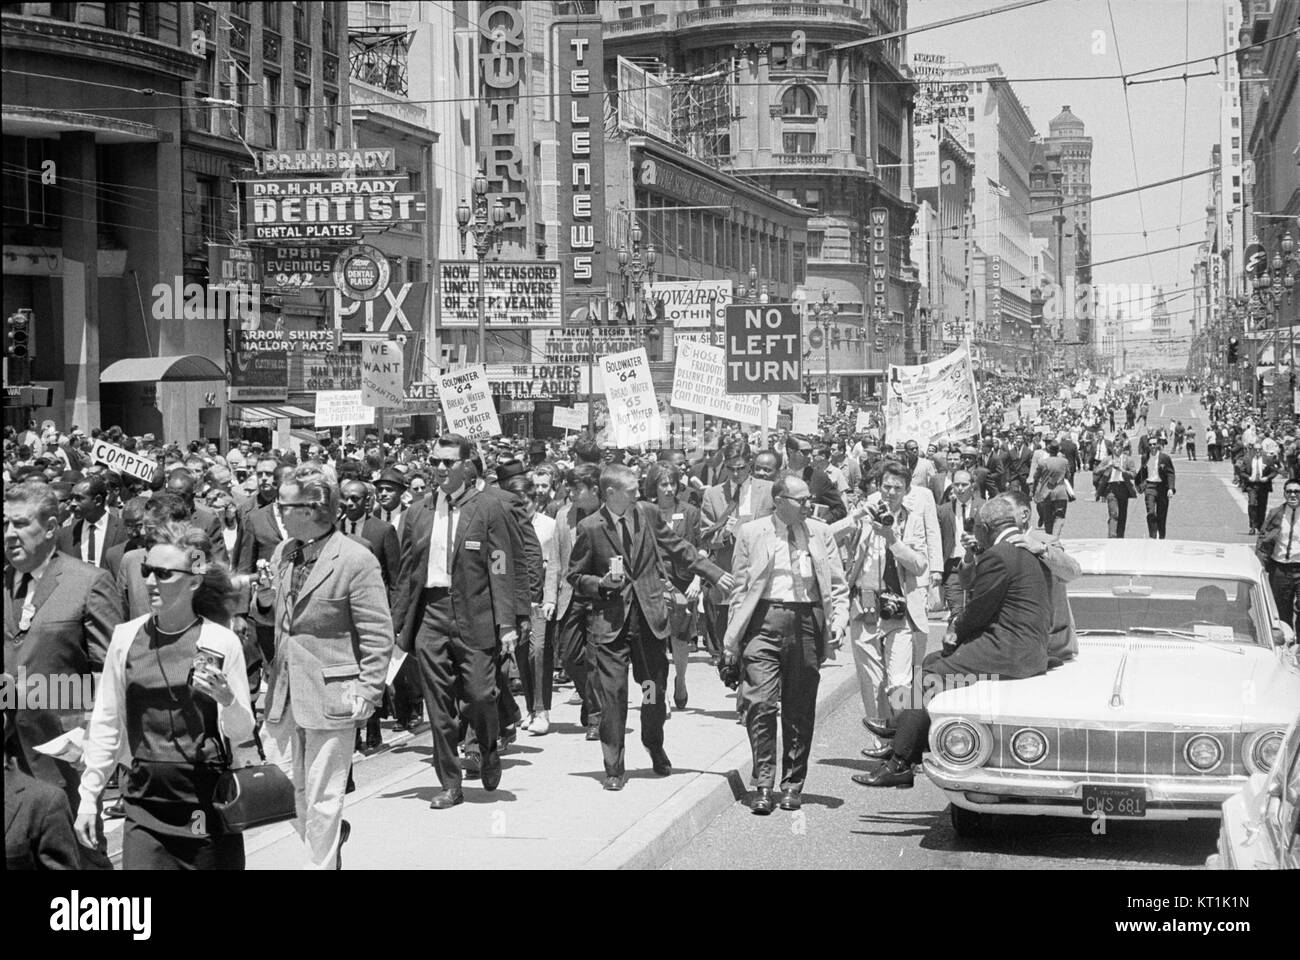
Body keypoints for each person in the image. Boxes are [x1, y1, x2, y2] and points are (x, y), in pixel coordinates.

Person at [76, 524, 253, 869]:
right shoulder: (126, 638)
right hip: (144, 800)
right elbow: (107, 720)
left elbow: (243, 732)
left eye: (163, 573)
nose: (151, 581)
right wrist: (88, 795)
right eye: (147, 571)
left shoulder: (220, 641)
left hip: (203, 800)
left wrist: (228, 700)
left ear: (194, 580)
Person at [856, 497, 1053, 787]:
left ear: (986, 527)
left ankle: (899, 761)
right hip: (1023, 647)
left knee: (932, 675)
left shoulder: (999, 555)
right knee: (932, 663)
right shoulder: (1021, 551)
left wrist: (955, 634)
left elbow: (978, 609)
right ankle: (899, 731)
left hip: (1010, 652)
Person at [258, 468, 394, 868]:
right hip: (283, 694)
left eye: (285, 504)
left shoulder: (355, 559)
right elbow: (275, 620)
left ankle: (322, 860)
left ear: (314, 508)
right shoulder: (284, 552)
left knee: (324, 796)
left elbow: (376, 633)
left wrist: (369, 690)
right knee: (283, 790)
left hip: (333, 695)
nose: (278, 510)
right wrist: (264, 598)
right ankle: (329, 843)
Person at [566, 464, 733, 791]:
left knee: (652, 692)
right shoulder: (590, 528)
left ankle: (653, 742)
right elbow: (575, 576)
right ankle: (614, 765)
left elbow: (679, 548)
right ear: (611, 493)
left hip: (648, 623)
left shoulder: (648, 514)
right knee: (613, 696)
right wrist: (600, 583)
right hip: (611, 625)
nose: (637, 495)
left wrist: (712, 572)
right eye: (630, 491)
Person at [391, 437, 519, 810]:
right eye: (436, 461)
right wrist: (397, 627)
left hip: (474, 614)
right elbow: (406, 575)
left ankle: (489, 746)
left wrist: (506, 621)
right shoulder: (417, 512)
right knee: (439, 708)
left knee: (480, 695)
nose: (442, 468)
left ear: (466, 465)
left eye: (449, 462)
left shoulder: (488, 509)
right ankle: (450, 782)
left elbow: (500, 565)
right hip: (430, 616)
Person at [4, 481, 123, 845]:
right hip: (9, 760)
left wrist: (91, 741)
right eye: (5, 523)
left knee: (76, 859)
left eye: (21, 524)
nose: (10, 534)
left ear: (52, 527)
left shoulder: (88, 583)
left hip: (62, 758)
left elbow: (112, 675)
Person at [724, 476, 848, 814]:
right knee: (760, 703)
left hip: (806, 622)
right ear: (780, 500)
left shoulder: (820, 533)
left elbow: (836, 584)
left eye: (809, 499)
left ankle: (792, 784)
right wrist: (731, 641)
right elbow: (739, 588)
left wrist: (838, 621)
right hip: (763, 622)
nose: (809, 505)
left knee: (799, 707)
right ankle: (763, 783)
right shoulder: (752, 533)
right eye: (801, 499)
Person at [832, 461, 932, 765]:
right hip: (865, 608)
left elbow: (919, 564)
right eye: (885, 486)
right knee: (871, 681)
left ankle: (905, 746)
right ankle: (881, 744)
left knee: (899, 682)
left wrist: (892, 538)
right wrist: (856, 516)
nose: (889, 493)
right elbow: (827, 537)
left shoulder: (911, 520)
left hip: (899, 612)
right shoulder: (863, 517)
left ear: (906, 491)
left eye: (896, 488)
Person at [699, 440, 774, 673]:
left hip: (762, 574)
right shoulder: (713, 495)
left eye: (741, 467)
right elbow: (703, 537)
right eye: (731, 468)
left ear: (749, 464)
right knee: (729, 640)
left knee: (757, 639)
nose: (736, 473)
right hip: (729, 577)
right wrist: (724, 535)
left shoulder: (769, 489)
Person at [644, 462, 702, 712]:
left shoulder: (689, 512)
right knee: (653, 640)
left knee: (679, 639)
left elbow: (699, 549)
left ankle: (680, 679)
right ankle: (656, 695)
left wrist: (699, 580)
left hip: (682, 581)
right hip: (653, 581)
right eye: (663, 484)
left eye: (672, 484)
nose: (668, 489)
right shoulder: (645, 511)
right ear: (653, 487)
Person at [553, 464, 603, 740]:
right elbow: (557, 561)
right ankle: (589, 697)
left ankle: (597, 717)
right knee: (570, 656)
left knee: (595, 659)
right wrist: (551, 597)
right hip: (571, 594)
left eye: (577, 489)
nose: (571, 494)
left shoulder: (608, 514)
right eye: (569, 488)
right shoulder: (564, 516)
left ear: (593, 489)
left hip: (599, 594)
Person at [936, 469, 983, 618]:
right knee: (957, 612)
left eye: (964, 484)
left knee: (975, 612)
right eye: (957, 485)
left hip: (978, 565)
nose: (960, 489)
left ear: (972, 486)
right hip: (953, 567)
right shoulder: (943, 510)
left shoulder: (984, 507)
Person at [1256, 478, 1300, 635]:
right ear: (1284, 494)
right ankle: (1286, 644)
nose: (1293, 495)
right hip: (1280, 569)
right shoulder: (1276, 513)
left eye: (1296, 491)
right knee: (1281, 610)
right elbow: (1263, 538)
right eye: (1289, 491)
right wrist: (1259, 563)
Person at [55, 475, 126, 569]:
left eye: (79, 498)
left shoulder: (123, 530)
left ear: (98, 500)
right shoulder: (64, 535)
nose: (73, 503)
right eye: (72, 498)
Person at [1029, 441, 1072, 536]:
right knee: (1059, 516)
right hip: (1061, 492)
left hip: (1047, 492)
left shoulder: (1042, 462)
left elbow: (1036, 477)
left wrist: (1034, 490)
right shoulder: (1064, 461)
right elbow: (1068, 475)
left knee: (1048, 517)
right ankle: (1055, 537)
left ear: (1048, 451)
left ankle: (1049, 538)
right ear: (1058, 451)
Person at [1138, 436, 1177, 539]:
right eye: (1150, 445)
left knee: (1161, 515)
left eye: (1154, 444)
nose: (1152, 447)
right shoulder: (1145, 457)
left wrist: (1170, 488)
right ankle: (1153, 536)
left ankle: (1162, 536)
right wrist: (1141, 485)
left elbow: (1170, 474)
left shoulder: (1165, 458)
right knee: (1150, 513)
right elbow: (1142, 472)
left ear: (1158, 445)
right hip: (1150, 487)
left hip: (1162, 488)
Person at [1099, 441, 1139, 538]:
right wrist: (1107, 467)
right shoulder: (1107, 459)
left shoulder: (1128, 460)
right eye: (1114, 447)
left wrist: (1122, 470)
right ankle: (1112, 536)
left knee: (1122, 515)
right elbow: (1097, 470)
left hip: (1123, 487)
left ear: (1122, 448)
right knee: (1114, 513)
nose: (1116, 449)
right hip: (1111, 488)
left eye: (1118, 447)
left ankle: (1120, 537)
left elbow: (1134, 474)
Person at [1237, 444, 1279, 535]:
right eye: (1255, 449)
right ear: (1252, 450)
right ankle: (1252, 526)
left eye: (1259, 449)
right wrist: (1248, 478)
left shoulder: (1268, 459)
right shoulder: (1247, 459)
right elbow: (1241, 471)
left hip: (1263, 486)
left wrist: (1267, 478)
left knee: (1262, 506)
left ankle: (1260, 526)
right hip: (1252, 485)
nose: (1257, 451)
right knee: (1252, 504)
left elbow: (1274, 471)